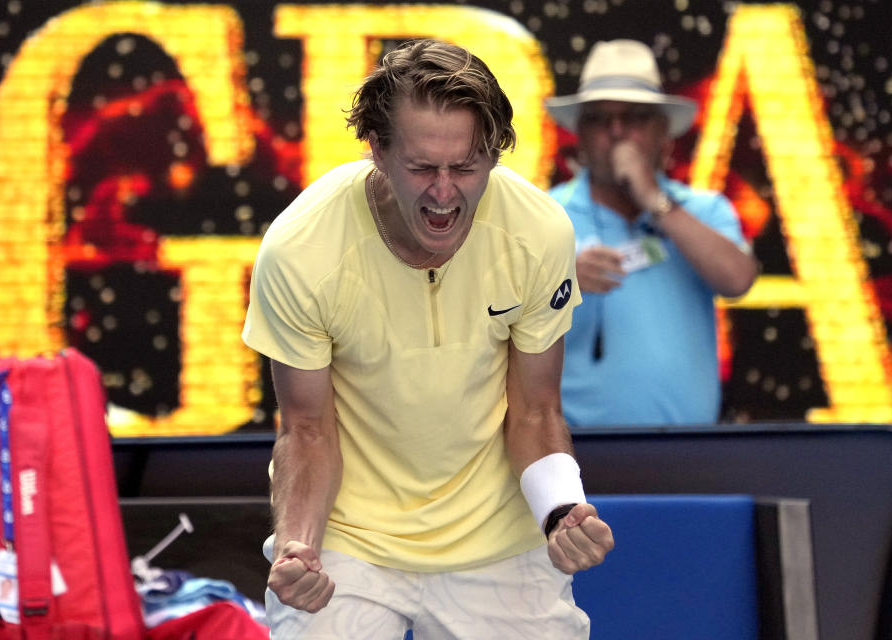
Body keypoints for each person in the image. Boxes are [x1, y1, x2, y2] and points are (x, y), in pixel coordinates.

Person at [242, 38, 613, 639]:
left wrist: (561, 510)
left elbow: (535, 411)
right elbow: (307, 430)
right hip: (350, 542)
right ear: (379, 151)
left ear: (494, 156)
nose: (444, 192)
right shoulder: (300, 250)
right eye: (422, 167)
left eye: (464, 166)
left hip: (498, 538)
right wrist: (297, 549)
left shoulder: (540, 234)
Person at [544, 39, 758, 427]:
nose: (617, 132)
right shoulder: (542, 215)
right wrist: (560, 281)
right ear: (580, 134)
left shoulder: (704, 209)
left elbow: (739, 280)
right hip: (574, 457)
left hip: (688, 452)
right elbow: (492, 322)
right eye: (599, 119)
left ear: (663, 133)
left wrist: (653, 199)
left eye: (635, 118)